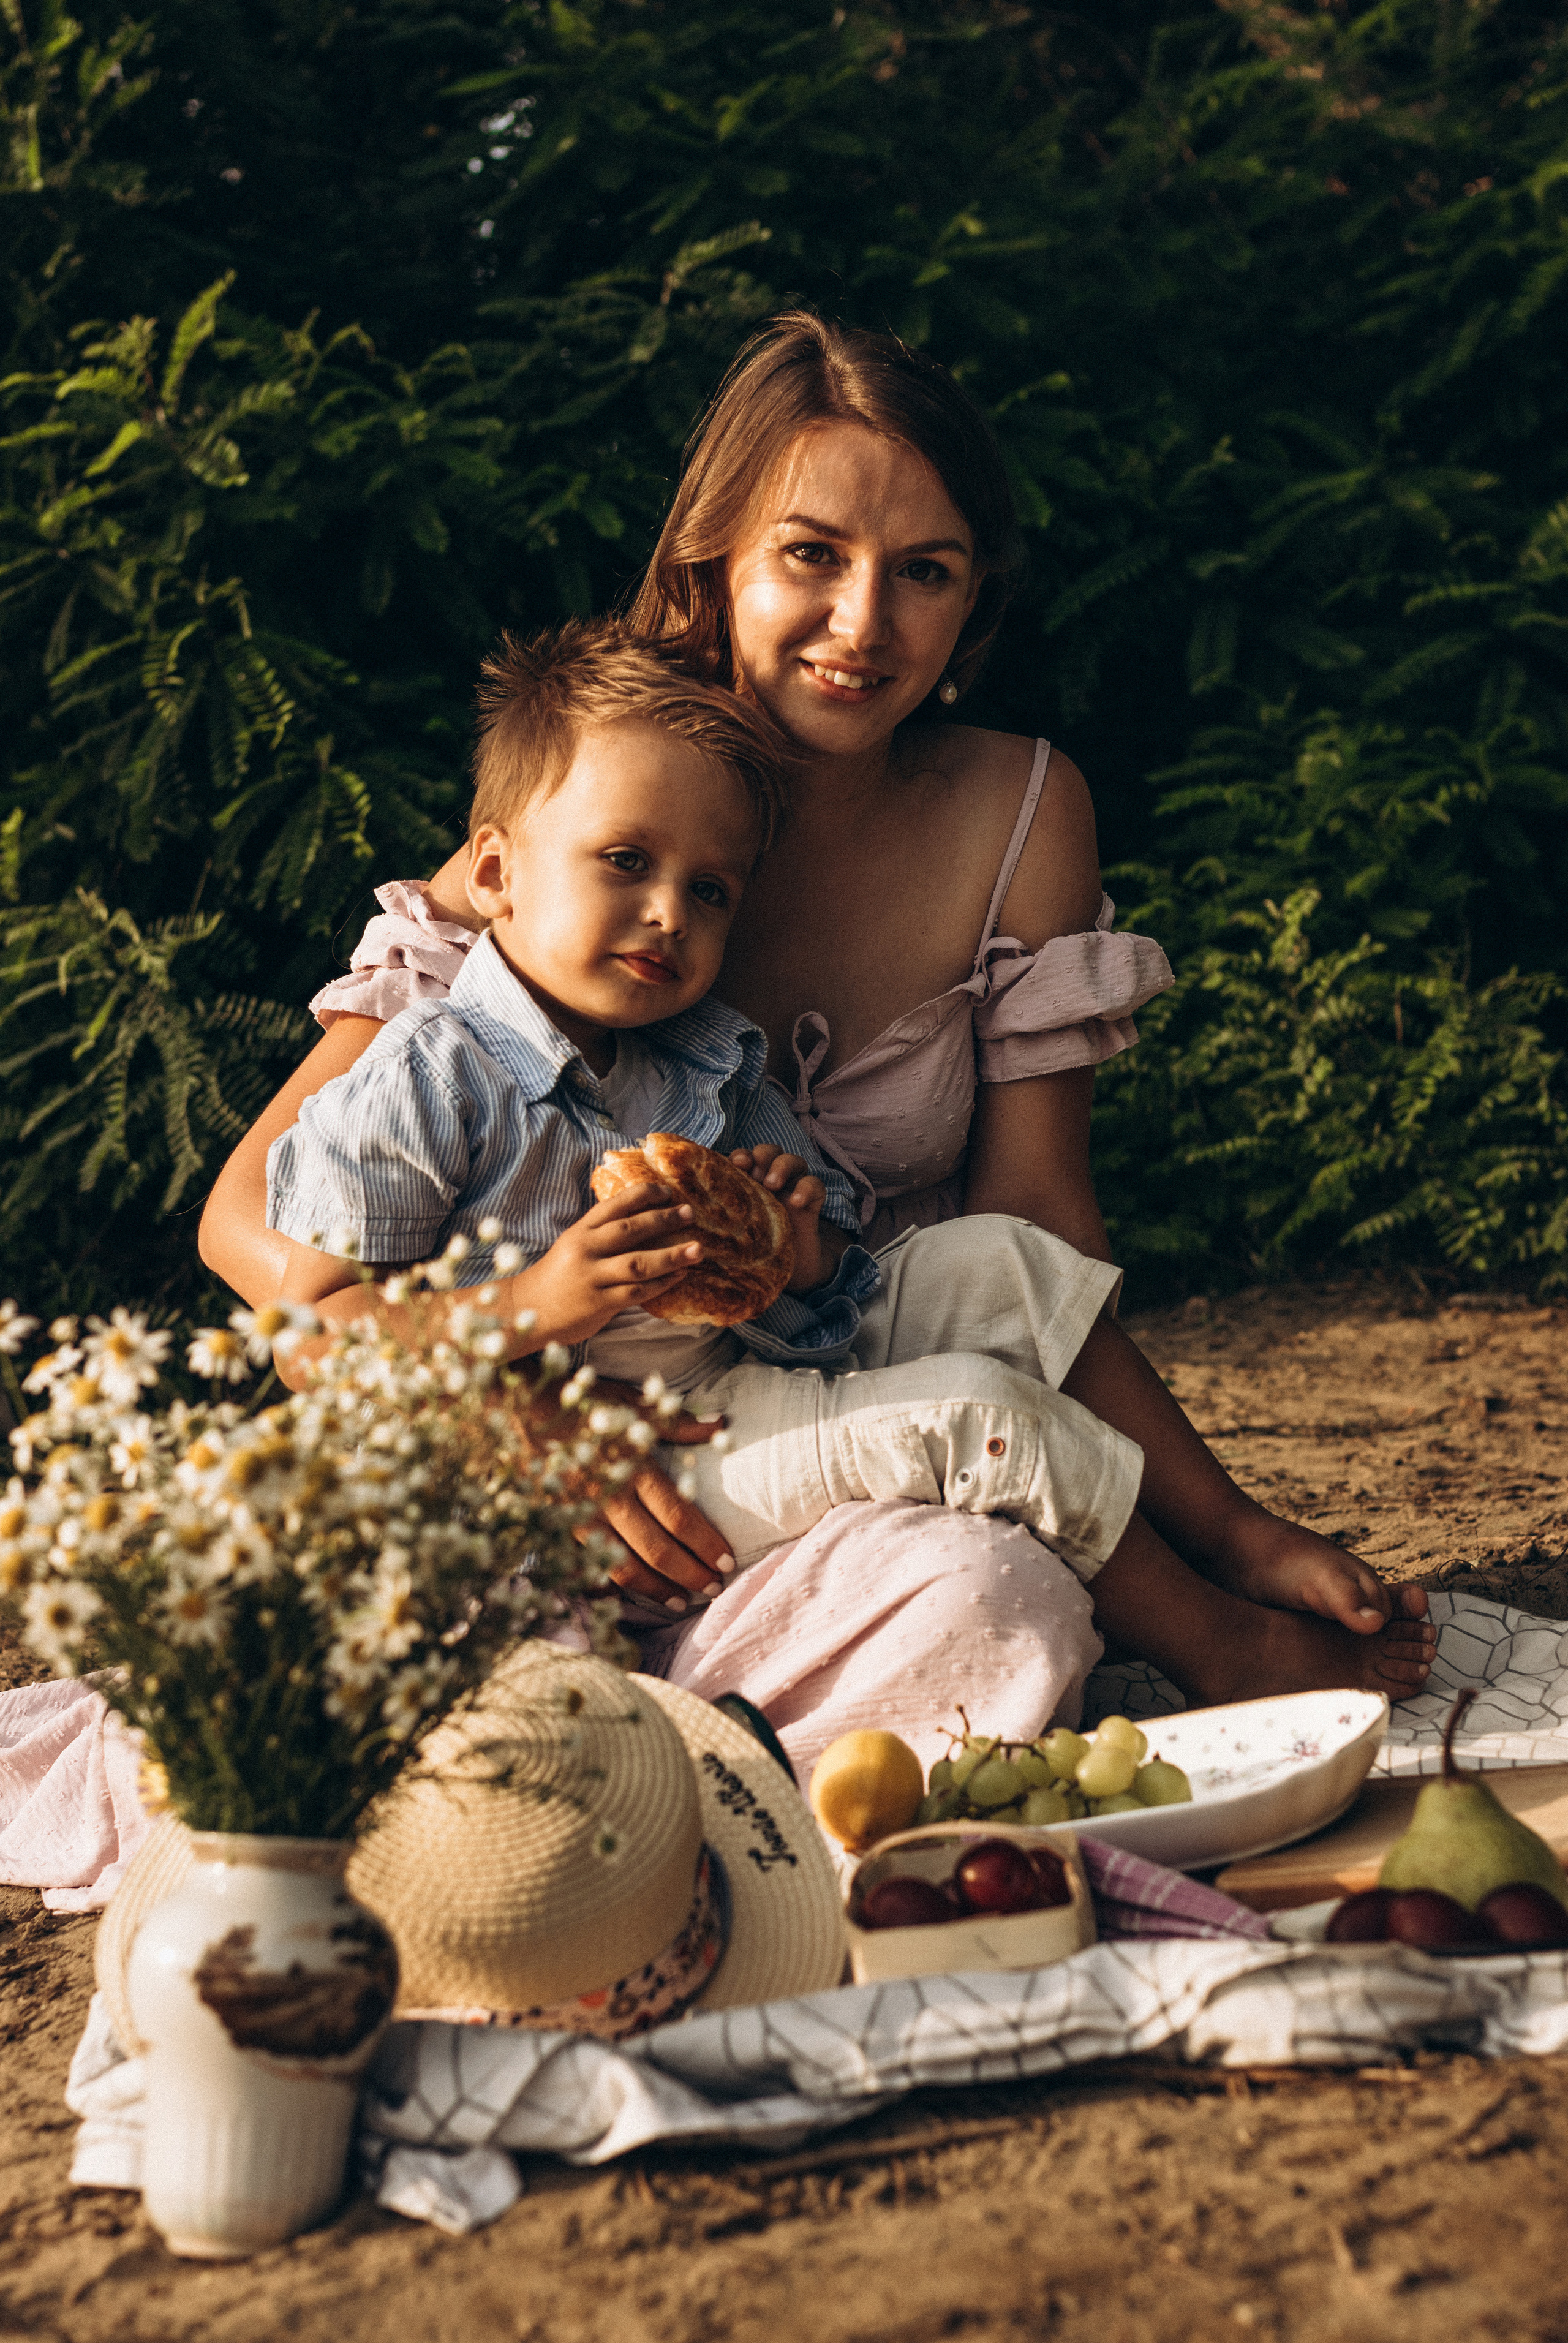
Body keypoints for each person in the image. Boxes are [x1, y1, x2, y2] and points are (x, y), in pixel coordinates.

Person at [200, 312, 1432, 1775]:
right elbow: (257, 1227)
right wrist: (512, 1399)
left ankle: (1167, 1588)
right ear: (706, 561)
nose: (862, 624)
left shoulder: (1017, 811)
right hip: (561, 1443)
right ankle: (616, 1743)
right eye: (809, 555)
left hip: (838, 1391)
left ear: (972, 609)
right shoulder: (591, 813)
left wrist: (1209, 1519)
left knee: (1005, 1589)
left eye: (923, 573)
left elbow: (1030, 1222)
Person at [268, 621, 1144, 1617]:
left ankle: (1229, 1532)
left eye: (711, 890)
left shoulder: (717, 1072)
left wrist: (797, 1255)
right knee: (984, 1422)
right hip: (535, 1501)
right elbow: (309, 1333)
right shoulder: (429, 1076)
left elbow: (819, 1312)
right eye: (627, 859)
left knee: (1002, 1263)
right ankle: (1216, 1645)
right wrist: (537, 1304)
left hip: (720, 1415)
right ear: (498, 875)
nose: (671, 912)